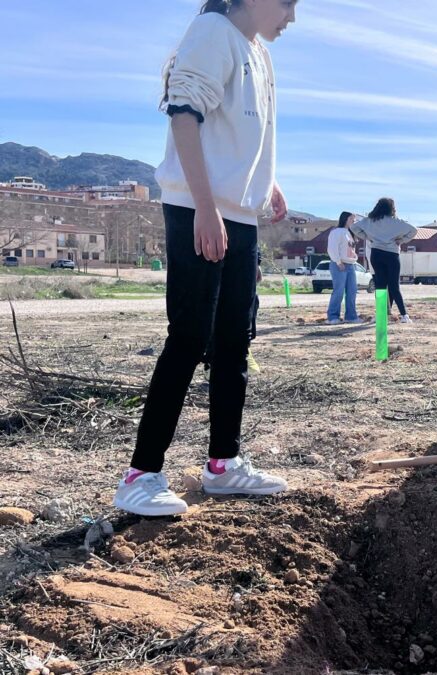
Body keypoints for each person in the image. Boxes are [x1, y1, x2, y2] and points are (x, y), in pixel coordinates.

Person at [113, 0, 296, 517]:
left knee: (235, 342)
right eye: (288, 4)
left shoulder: (257, 52)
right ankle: (141, 474)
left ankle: (223, 464)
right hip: (200, 209)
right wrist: (207, 209)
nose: (292, 17)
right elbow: (185, 117)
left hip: (238, 216)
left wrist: (266, 183)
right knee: (189, 337)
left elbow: (235, 132)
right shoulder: (213, 32)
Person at [353, 197, 417, 323]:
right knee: (394, 286)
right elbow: (413, 230)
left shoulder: (370, 220)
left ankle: (381, 315)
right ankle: (404, 315)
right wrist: (401, 240)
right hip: (392, 254)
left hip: (376, 253)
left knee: (380, 285)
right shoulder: (396, 221)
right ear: (391, 208)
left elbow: (354, 228)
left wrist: (367, 237)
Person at [327, 211, 360, 325]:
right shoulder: (336, 232)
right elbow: (332, 248)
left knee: (352, 291)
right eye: (351, 219)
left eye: (354, 220)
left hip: (350, 265)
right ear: (345, 219)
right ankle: (332, 316)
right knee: (339, 291)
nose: (353, 222)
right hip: (339, 264)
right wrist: (338, 261)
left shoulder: (350, 233)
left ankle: (351, 316)